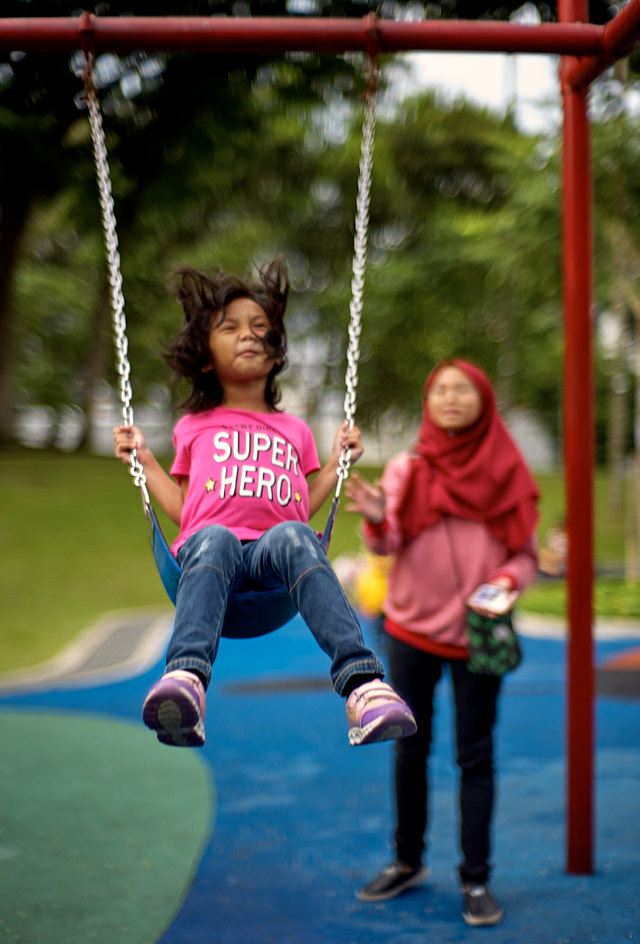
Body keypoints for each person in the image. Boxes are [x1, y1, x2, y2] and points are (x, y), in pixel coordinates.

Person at [113, 258, 416, 751]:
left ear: (276, 355)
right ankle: (186, 680)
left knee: (297, 535)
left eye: (260, 328)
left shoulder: (294, 430)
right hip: (212, 556)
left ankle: (364, 686)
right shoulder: (194, 425)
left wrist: (338, 462)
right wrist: (145, 463)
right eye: (230, 328)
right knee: (213, 534)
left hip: (274, 562)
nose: (249, 336)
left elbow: (303, 505)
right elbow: (188, 507)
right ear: (207, 357)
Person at [345, 358, 539, 927]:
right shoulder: (409, 467)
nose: (451, 398)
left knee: (474, 757)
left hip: (478, 637)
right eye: (440, 390)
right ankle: (407, 861)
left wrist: (504, 582)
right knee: (410, 748)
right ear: (428, 403)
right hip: (409, 631)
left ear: (484, 400)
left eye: (463, 389)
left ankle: (476, 879)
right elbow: (386, 544)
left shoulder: (509, 470)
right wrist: (379, 518)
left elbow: (524, 557)